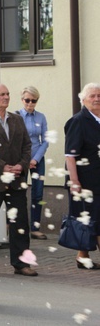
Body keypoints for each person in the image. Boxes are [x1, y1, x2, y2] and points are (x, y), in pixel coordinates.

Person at [0, 83, 36, 277]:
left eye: (8, 94)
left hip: (17, 179)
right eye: (1, 94)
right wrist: (3, 167)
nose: (6, 97)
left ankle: (21, 263)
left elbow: (27, 145)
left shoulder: (17, 119)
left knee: (20, 222)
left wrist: (22, 164)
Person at [63, 82, 100, 270]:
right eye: (92, 96)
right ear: (83, 99)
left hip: (98, 178)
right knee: (93, 218)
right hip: (85, 181)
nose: (96, 99)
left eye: (99, 95)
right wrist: (75, 181)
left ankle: (82, 257)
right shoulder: (78, 121)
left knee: (90, 220)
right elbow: (70, 155)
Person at [18, 86, 50, 240]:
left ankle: (35, 227)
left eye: (34, 101)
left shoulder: (41, 117)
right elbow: (15, 141)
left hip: (37, 159)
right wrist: (25, 161)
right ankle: (21, 227)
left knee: (37, 194)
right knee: (20, 193)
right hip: (21, 160)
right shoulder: (16, 117)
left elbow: (45, 141)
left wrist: (35, 159)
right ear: (22, 99)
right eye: (27, 100)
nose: (30, 103)